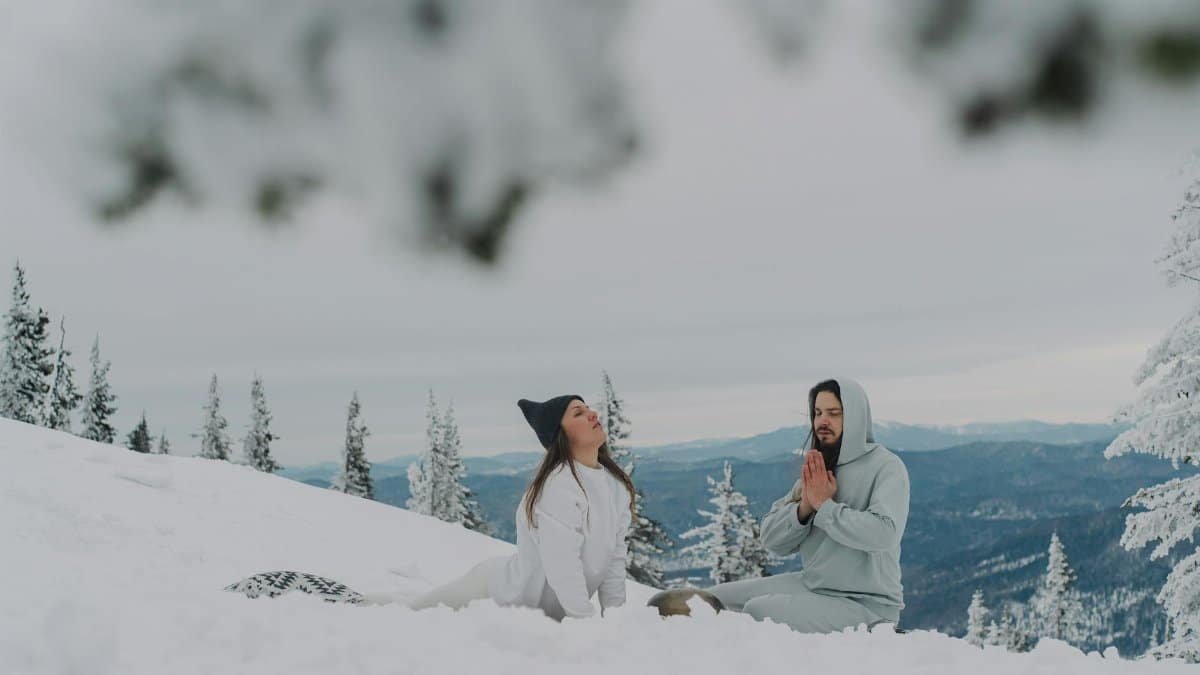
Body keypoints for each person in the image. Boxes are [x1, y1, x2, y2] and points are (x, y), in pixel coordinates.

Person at [703, 378, 910, 633]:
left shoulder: (886, 467)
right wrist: (805, 509)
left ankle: (878, 632)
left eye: (834, 413)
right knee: (709, 601)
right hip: (814, 586)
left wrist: (825, 506)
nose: (823, 421)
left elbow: (885, 534)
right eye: (818, 413)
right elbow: (771, 540)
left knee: (757, 612)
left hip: (867, 604)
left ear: (856, 418)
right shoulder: (819, 467)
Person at [406, 395, 636, 620]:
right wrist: (587, 623)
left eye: (587, 408)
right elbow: (563, 566)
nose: (592, 414)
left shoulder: (616, 487)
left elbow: (613, 561)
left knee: (414, 612)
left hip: (538, 612)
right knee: (409, 614)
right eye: (579, 413)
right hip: (493, 594)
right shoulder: (559, 487)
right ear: (560, 434)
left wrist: (616, 620)